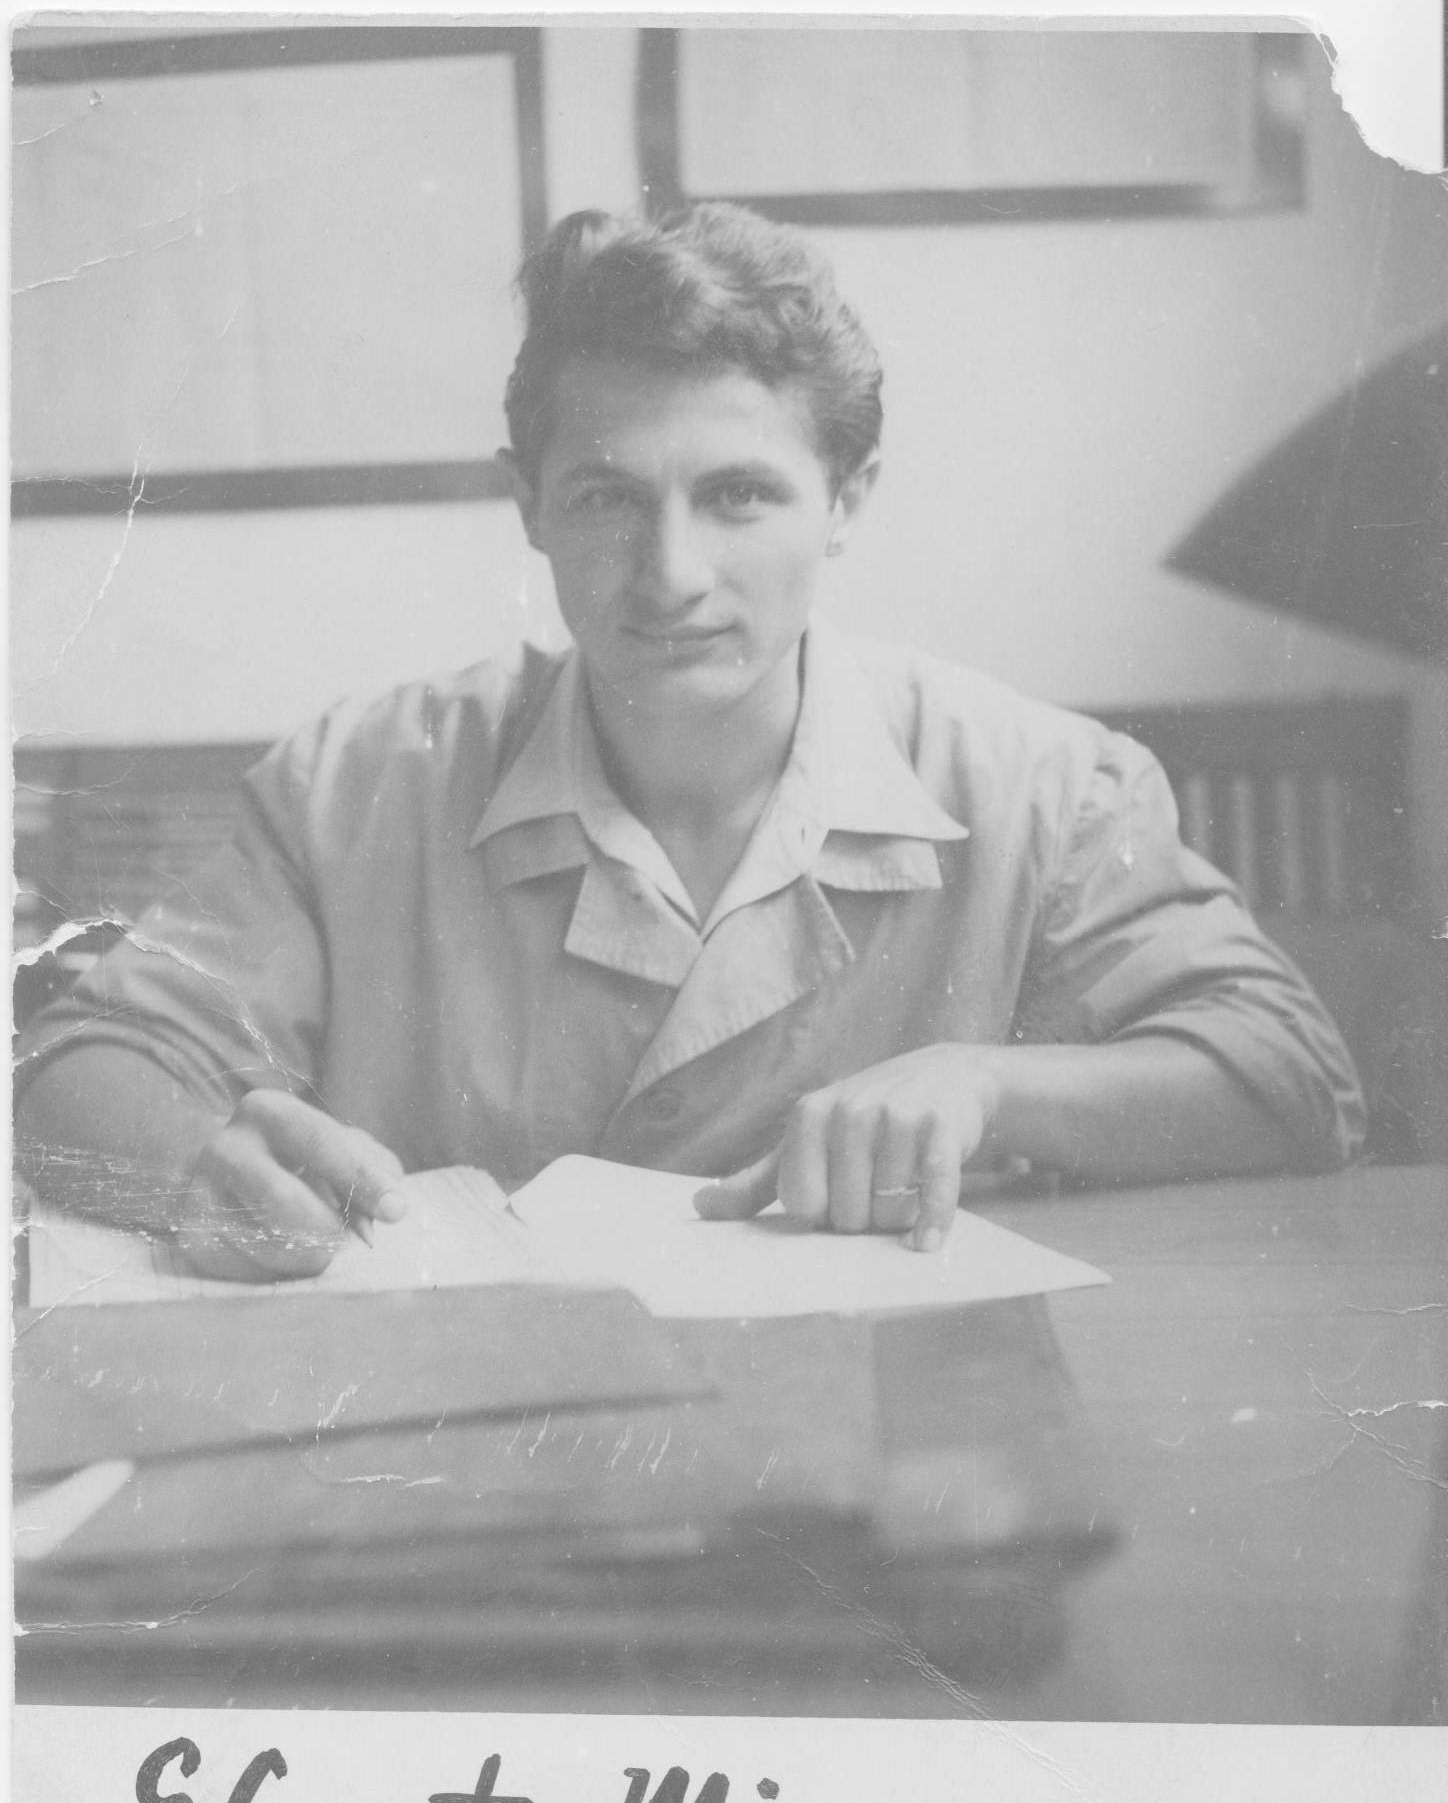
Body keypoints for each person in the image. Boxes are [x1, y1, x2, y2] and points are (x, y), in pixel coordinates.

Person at [16, 204, 1365, 1281]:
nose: (670, 576)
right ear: (529, 506)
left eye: (738, 496)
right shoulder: (362, 782)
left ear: (846, 502)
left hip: (897, 1461)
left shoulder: (1046, 789)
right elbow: (75, 1068)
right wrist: (195, 1164)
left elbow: (1293, 1078)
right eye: (607, 497)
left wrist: (985, 1089)